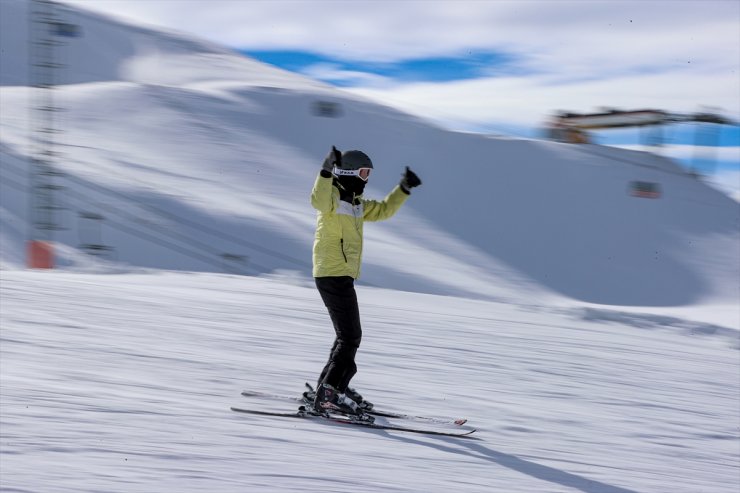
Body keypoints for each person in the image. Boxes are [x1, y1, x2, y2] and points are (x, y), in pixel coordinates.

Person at [310, 146, 421, 415]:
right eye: (363, 172)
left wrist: (403, 188)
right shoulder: (333, 198)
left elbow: (383, 210)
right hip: (332, 273)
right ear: (348, 171)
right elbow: (318, 199)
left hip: (339, 274)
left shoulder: (357, 204)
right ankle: (330, 392)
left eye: (368, 173)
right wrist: (325, 171)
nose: (366, 178)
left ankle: (329, 387)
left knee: (345, 336)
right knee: (351, 336)